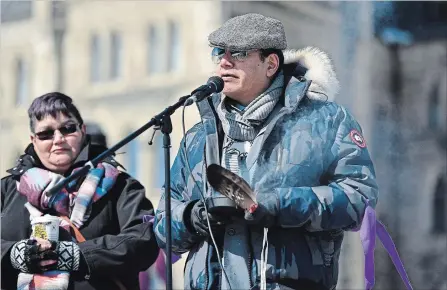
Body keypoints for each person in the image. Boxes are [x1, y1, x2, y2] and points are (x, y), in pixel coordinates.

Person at [154, 13, 379, 290]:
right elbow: (163, 224)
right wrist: (194, 217)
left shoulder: (327, 121)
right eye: (219, 52)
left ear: (271, 64)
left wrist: (277, 204)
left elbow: (359, 197)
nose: (224, 62)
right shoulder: (196, 138)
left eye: (238, 53)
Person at [1, 92, 159, 290]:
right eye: (46, 133)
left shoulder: (121, 186)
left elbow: (144, 242)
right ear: (33, 140)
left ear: (82, 131)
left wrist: (77, 255)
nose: (58, 139)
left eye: (67, 129)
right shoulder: (6, 190)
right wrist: (16, 254)